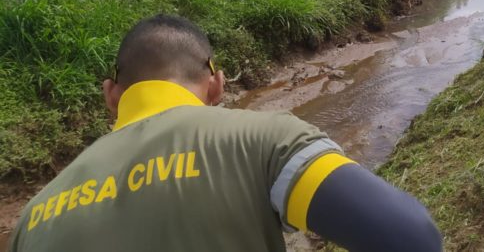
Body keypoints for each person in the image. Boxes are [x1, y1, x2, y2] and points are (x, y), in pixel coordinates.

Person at [8, 15, 442, 252]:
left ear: (111, 95)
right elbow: (411, 237)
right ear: (216, 85)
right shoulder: (264, 142)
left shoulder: (33, 217)